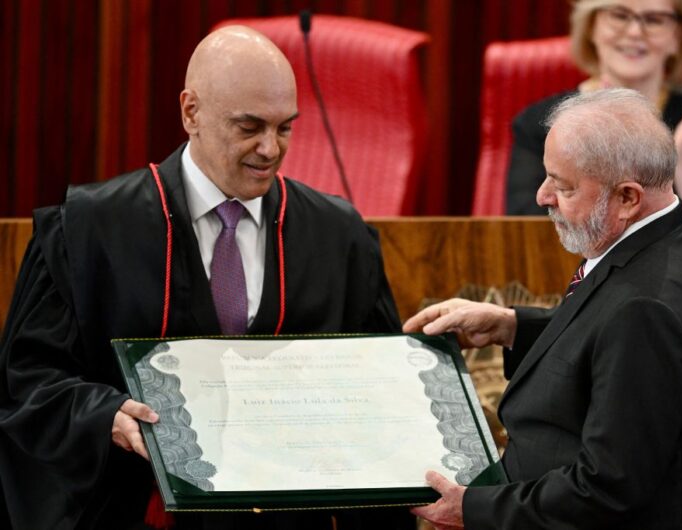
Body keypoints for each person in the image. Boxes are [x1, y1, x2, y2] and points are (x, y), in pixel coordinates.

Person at [0, 26, 414, 530]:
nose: (270, 149)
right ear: (190, 111)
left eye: (285, 128)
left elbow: (377, 388)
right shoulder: (88, 230)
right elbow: (29, 381)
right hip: (135, 509)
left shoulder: (336, 235)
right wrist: (102, 414)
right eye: (249, 126)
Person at [405, 89, 682, 529]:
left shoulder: (647, 308)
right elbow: (608, 346)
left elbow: (606, 489)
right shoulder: (670, 244)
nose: (542, 196)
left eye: (562, 186)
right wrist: (511, 326)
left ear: (627, 198)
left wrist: (473, 509)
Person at [506, 0, 682, 215]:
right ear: (592, 27)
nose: (635, 32)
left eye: (654, 19)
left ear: (678, 37)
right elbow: (526, 230)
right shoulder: (540, 123)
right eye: (619, 15)